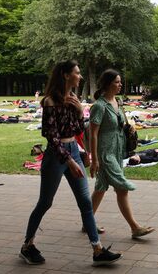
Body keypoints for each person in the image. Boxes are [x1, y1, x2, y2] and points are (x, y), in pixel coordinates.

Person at [20, 60, 121, 266]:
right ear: (66, 75)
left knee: (85, 203)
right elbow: (51, 136)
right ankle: (27, 245)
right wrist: (70, 161)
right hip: (56, 157)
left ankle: (98, 250)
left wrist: (78, 111)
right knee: (45, 202)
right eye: (77, 72)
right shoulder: (49, 101)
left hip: (74, 151)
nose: (80, 76)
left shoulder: (73, 98)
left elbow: (76, 131)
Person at [89, 69, 155, 239]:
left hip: (118, 151)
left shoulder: (117, 102)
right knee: (122, 188)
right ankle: (135, 227)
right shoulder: (99, 106)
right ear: (107, 83)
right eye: (117, 82)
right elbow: (93, 133)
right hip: (105, 153)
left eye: (120, 82)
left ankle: (86, 222)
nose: (120, 85)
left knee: (101, 188)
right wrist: (94, 159)